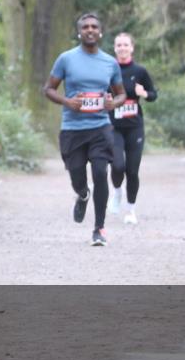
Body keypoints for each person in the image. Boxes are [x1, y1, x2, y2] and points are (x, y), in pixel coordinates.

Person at [43, 13, 126, 246]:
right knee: (77, 175)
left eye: (94, 27)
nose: (90, 30)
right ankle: (82, 194)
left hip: (100, 127)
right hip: (72, 129)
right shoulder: (66, 59)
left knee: (101, 174)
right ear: (79, 32)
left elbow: (121, 93)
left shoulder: (110, 62)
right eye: (85, 27)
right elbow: (48, 89)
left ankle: (99, 229)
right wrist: (67, 102)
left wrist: (114, 103)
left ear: (100, 33)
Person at [109, 32, 157, 224]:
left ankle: (131, 210)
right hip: (113, 126)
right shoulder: (108, 70)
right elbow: (100, 94)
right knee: (118, 165)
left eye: (125, 45)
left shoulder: (140, 71)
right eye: (119, 45)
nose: (122, 48)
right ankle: (117, 192)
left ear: (132, 48)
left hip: (135, 127)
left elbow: (153, 95)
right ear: (114, 48)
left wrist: (143, 92)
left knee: (132, 170)